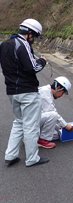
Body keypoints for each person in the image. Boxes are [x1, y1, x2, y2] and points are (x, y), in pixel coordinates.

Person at [0, 18, 49, 166]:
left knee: (18, 122)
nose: (33, 39)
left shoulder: (4, 44)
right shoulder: (23, 44)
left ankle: (10, 155)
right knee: (31, 126)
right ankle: (32, 158)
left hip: (12, 91)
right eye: (34, 36)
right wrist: (42, 61)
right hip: (27, 91)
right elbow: (32, 67)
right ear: (29, 32)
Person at [38, 76, 73, 148]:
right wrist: (65, 125)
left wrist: (60, 127)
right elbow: (52, 113)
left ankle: (32, 138)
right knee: (53, 115)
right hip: (29, 121)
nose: (61, 96)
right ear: (58, 88)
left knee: (57, 134)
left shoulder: (47, 92)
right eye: (62, 93)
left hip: (35, 119)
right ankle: (42, 140)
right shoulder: (44, 93)